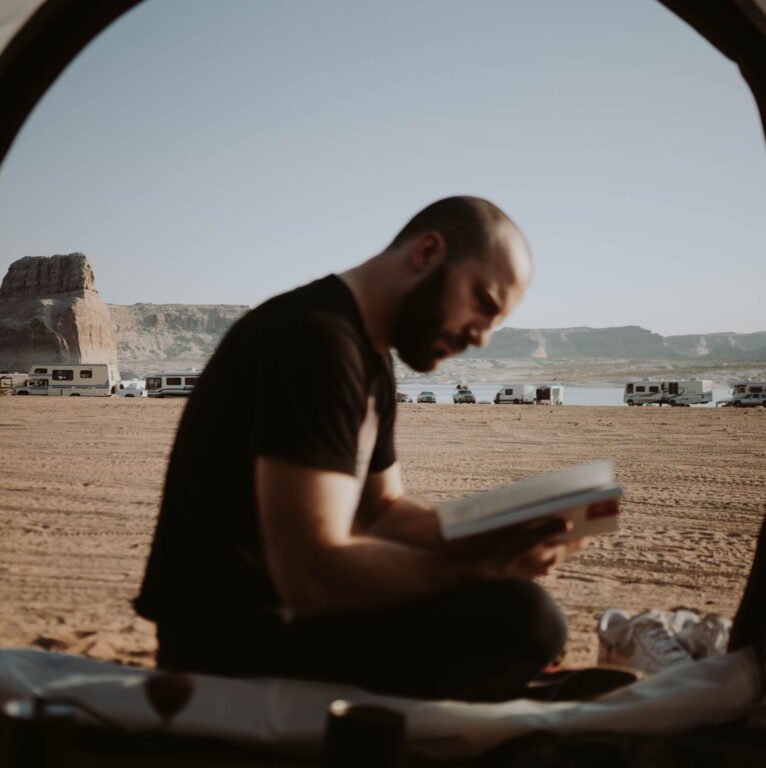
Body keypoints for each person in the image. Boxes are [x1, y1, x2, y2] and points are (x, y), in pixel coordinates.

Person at [134, 196, 613, 700]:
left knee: (514, 611)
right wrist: (478, 570)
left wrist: (494, 534)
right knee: (525, 619)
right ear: (427, 252)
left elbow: (382, 510)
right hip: (229, 639)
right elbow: (309, 576)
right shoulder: (313, 340)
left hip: (285, 616)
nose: (483, 337)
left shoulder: (370, 358)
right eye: (484, 303)